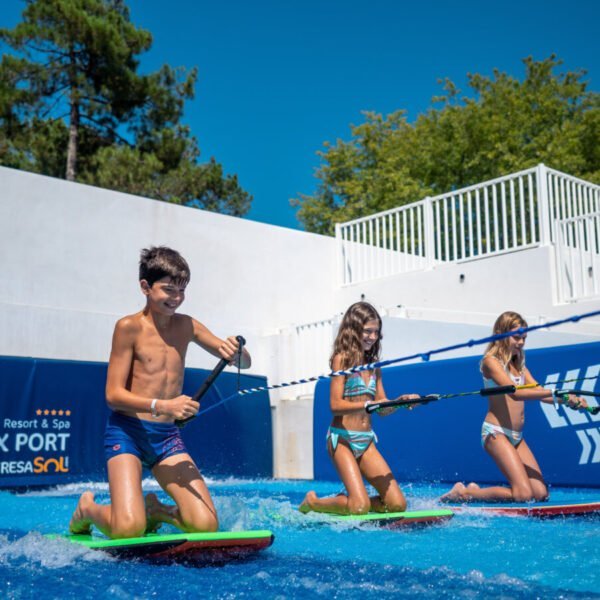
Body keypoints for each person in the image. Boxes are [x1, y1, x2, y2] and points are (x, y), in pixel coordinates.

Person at [69, 246, 251, 538]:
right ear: (145, 287)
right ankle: (88, 509)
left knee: (205, 525)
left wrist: (237, 352)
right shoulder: (128, 327)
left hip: (166, 438)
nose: (176, 298)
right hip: (127, 432)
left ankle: (155, 510)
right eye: (168, 289)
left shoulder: (187, 325)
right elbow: (113, 396)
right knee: (128, 529)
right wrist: (163, 406)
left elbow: (241, 360)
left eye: (182, 290)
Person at [441, 310, 588, 503]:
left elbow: (540, 392)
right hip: (496, 433)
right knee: (523, 495)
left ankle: (474, 490)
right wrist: (554, 393)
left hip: (517, 437)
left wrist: (567, 399)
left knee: (541, 494)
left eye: (524, 338)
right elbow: (516, 393)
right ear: (501, 334)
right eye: (516, 337)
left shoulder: (520, 367)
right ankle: (464, 493)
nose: (521, 342)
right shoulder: (490, 362)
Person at [299, 301, 417, 516]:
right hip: (342, 439)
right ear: (353, 330)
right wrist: (365, 404)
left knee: (397, 505)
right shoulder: (341, 360)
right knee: (360, 507)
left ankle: (346, 502)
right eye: (367, 331)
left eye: (376, 332)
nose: (372, 337)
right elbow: (335, 406)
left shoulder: (374, 366)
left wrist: (400, 402)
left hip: (366, 441)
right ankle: (314, 502)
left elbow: (381, 408)